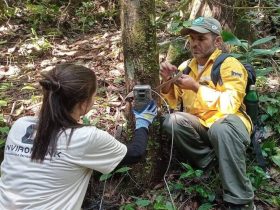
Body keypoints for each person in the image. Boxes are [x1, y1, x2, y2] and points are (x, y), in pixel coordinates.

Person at [0, 64, 157, 210]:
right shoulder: (85, 137)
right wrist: (143, 121)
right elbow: (135, 153)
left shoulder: (20, 125)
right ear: (83, 104)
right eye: (94, 96)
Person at [160, 17, 255, 210]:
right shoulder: (185, 67)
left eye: (201, 38)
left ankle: (241, 201)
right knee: (172, 121)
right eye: (192, 39)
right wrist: (168, 81)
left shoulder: (229, 65)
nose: (194, 43)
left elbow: (230, 105)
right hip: (202, 127)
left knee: (221, 129)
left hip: (229, 125)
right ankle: (210, 162)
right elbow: (171, 103)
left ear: (218, 41)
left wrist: (196, 87)